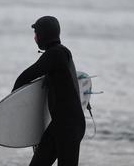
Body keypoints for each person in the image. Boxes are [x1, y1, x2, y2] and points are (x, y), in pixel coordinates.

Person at [12, 16, 85, 166]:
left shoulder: (54, 54)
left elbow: (24, 77)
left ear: (43, 35)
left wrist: (14, 105)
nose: (35, 38)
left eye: (36, 33)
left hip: (68, 127)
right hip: (60, 125)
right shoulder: (62, 53)